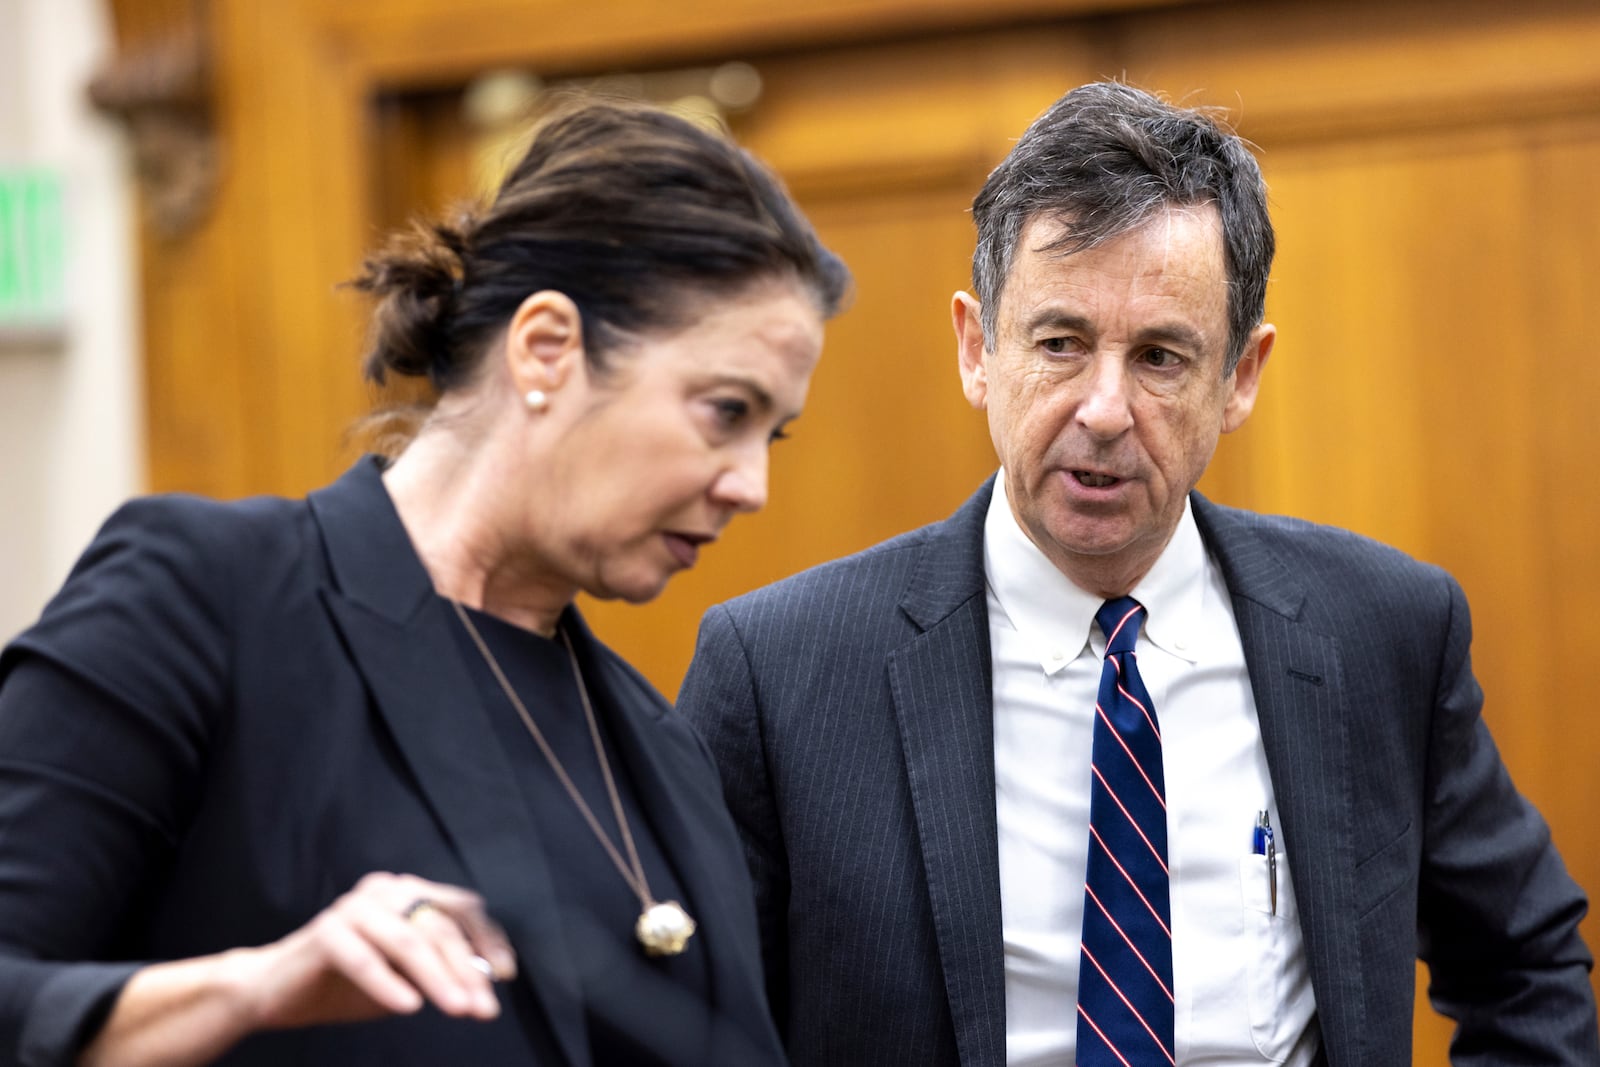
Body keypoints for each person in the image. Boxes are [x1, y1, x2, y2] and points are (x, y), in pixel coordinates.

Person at [678, 81, 1599, 1065]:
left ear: (1240, 374)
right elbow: (679, 1024)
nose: (1104, 408)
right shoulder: (778, 670)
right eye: (1059, 343)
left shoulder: (1383, 627)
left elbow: (1526, 968)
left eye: (1160, 356)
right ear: (976, 347)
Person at [0, 99, 849, 1066]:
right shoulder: (203, 596)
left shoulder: (666, 753)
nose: (751, 485)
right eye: (724, 411)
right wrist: (259, 983)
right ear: (545, 349)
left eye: (769, 434)